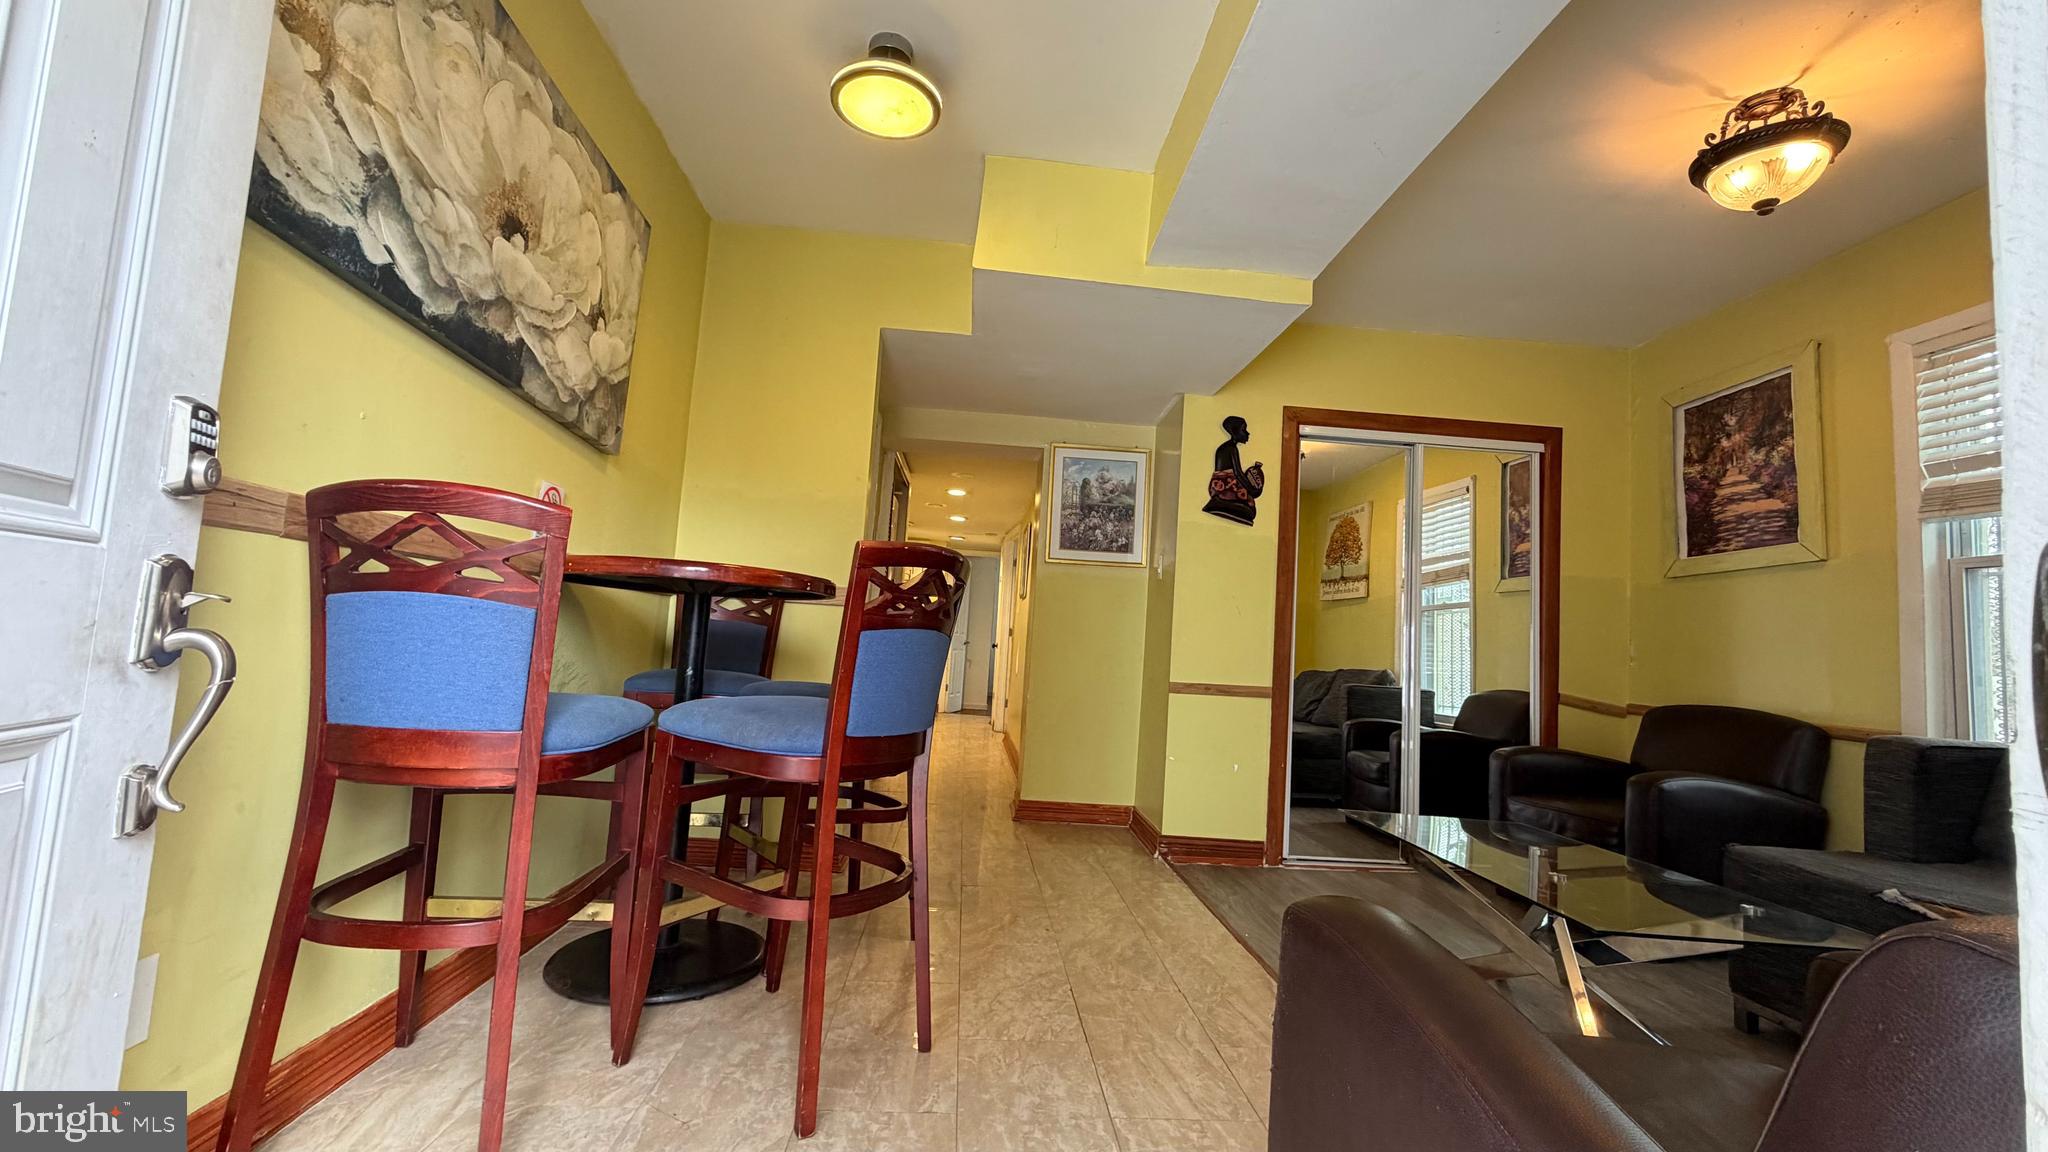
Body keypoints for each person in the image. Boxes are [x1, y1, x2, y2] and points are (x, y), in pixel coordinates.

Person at [1202, 416, 1263, 525]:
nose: (1247, 434)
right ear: (1235, 431)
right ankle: (1221, 503)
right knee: (1249, 507)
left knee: (1250, 507)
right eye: (1244, 430)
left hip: (1227, 485)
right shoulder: (1230, 449)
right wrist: (1251, 489)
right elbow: (1237, 473)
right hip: (1222, 487)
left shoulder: (1230, 448)